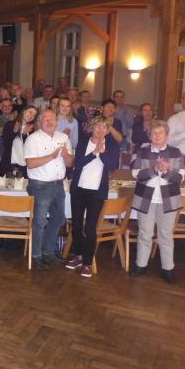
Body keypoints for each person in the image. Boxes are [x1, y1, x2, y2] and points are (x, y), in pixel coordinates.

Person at [131, 120, 185, 284]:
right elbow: (135, 174)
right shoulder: (141, 151)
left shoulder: (175, 152)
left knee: (166, 235)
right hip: (145, 198)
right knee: (145, 234)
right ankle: (141, 265)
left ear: (167, 135)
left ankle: (167, 268)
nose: (157, 135)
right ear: (150, 136)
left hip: (168, 199)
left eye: (161, 132)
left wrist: (166, 171)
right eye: (154, 133)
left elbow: (180, 177)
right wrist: (154, 169)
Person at [65, 116, 119, 278]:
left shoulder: (111, 145)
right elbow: (77, 163)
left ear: (107, 130)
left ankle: (87, 262)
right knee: (76, 225)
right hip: (78, 189)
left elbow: (113, 166)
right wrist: (94, 153)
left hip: (97, 192)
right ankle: (78, 255)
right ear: (92, 127)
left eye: (104, 127)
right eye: (97, 126)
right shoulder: (84, 142)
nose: (100, 130)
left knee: (90, 228)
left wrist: (102, 153)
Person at [24, 109, 74, 269]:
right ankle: (36, 255)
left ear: (57, 122)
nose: (49, 121)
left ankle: (48, 251)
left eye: (52, 118)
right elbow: (30, 164)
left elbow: (70, 163)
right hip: (40, 185)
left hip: (58, 185)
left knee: (59, 218)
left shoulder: (63, 137)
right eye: (45, 119)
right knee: (39, 222)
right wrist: (51, 156)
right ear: (40, 122)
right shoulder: (33, 139)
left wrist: (66, 155)